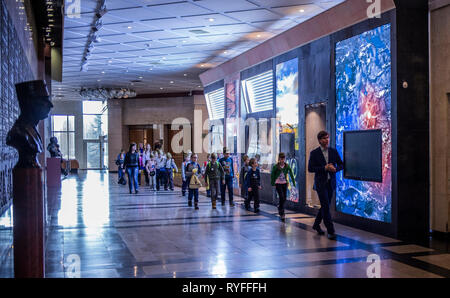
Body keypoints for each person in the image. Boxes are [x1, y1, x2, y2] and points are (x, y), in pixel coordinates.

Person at [308, 131, 343, 240]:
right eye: (324, 138)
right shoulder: (314, 153)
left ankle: (316, 224)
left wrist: (335, 169)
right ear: (319, 140)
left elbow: (341, 164)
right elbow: (310, 168)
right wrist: (324, 168)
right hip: (320, 184)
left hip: (330, 183)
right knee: (326, 206)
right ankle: (331, 230)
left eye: (327, 138)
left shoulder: (333, 151)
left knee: (325, 205)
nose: (326, 140)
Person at [271, 152, 296, 221]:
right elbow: (272, 174)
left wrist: (293, 182)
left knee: (284, 198)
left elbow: (291, 173)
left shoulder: (287, 166)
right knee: (281, 196)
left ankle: (279, 206)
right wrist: (273, 182)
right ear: (279, 159)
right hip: (278, 183)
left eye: (283, 159)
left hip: (284, 183)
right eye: (281, 159)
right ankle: (282, 213)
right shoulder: (276, 166)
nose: (282, 160)